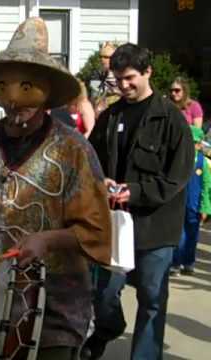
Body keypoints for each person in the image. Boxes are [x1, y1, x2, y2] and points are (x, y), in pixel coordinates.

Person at [0, 18, 112, 360]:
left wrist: (49, 239)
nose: (13, 99)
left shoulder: (73, 150)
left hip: (53, 307)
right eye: (4, 86)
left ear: (48, 88)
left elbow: (97, 229)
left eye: (26, 86)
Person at [84, 43, 195, 360]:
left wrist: (137, 191)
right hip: (114, 226)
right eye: (118, 79)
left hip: (155, 229)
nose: (123, 85)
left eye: (130, 78)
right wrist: (99, 180)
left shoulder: (172, 121)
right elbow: (90, 160)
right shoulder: (111, 115)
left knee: (152, 300)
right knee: (102, 293)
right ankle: (108, 328)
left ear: (148, 72)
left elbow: (177, 177)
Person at [171, 125, 211, 276]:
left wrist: (205, 208)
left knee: (192, 234)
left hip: (194, 206)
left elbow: (207, 186)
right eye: (190, 141)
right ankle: (175, 263)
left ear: (200, 144)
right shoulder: (178, 159)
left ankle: (189, 262)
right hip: (179, 204)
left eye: (195, 142)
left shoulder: (203, 162)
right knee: (179, 235)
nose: (193, 145)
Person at [89, 42, 121, 117]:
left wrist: (115, 91)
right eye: (101, 57)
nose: (102, 60)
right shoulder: (97, 74)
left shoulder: (120, 73)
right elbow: (95, 94)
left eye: (106, 57)